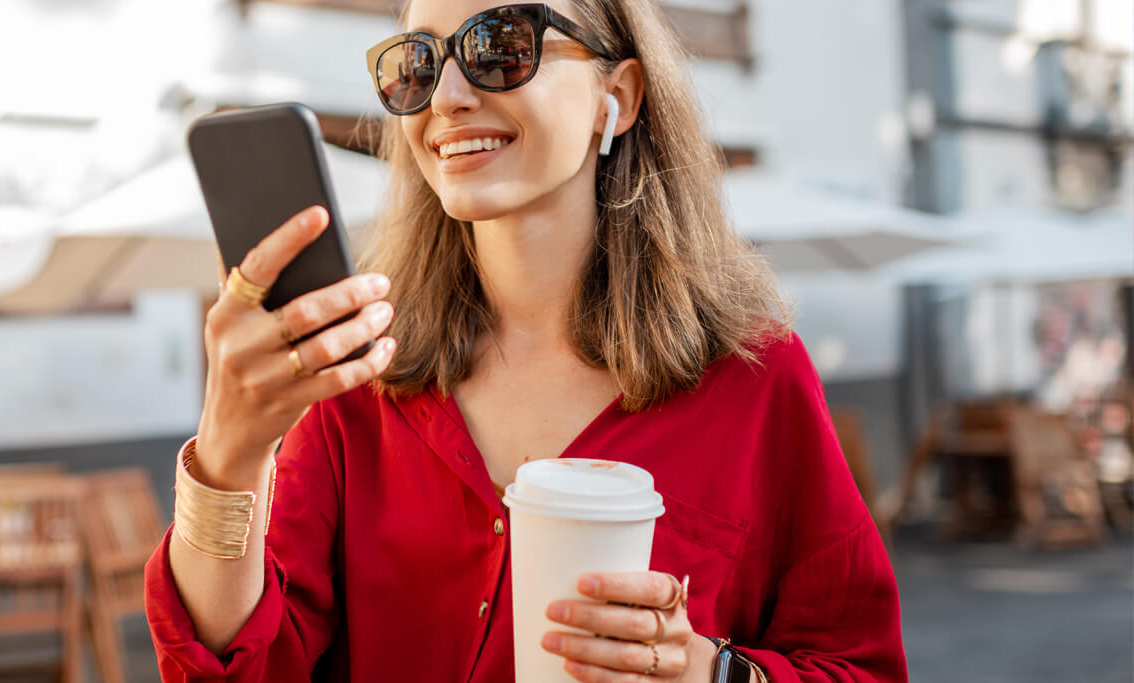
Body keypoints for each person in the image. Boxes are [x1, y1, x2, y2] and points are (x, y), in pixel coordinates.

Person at [145, 0, 907, 680]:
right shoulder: (358, 378)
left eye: (502, 44)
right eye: (417, 65)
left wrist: (711, 673)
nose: (445, 99)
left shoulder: (755, 376)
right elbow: (235, 665)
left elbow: (861, 664)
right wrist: (229, 458)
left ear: (619, 96)